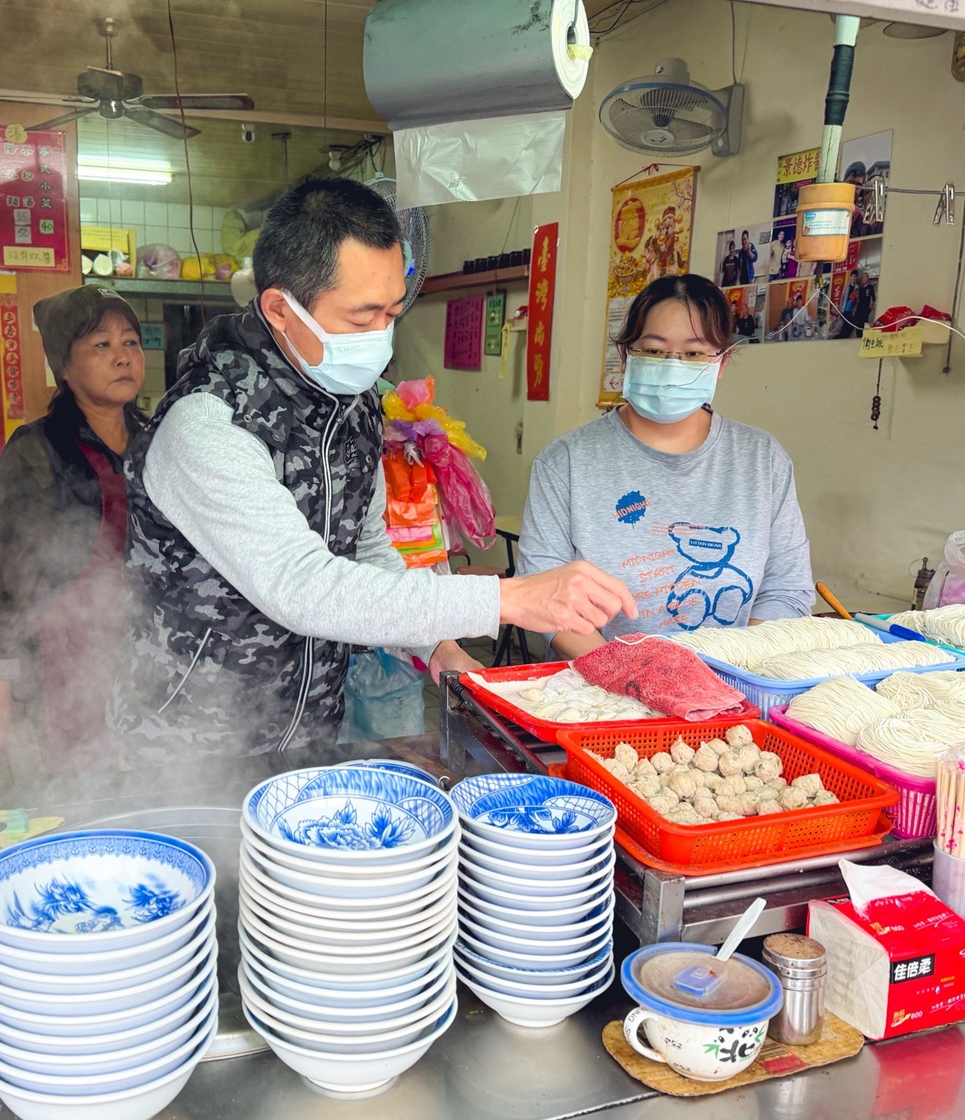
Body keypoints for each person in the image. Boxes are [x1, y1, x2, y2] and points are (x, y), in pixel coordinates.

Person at [115, 177, 636, 757]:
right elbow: (303, 586)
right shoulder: (209, 423)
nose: (381, 338)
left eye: (392, 313)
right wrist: (506, 599)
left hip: (308, 730)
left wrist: (436, 644)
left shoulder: (352, 403)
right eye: (362, 319)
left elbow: (368, 550)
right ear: (280, 309)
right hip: (186, 746)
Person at [518, 273, 813, 654]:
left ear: (721, 363)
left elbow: (787, 589)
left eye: (693, 354)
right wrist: (627, 676)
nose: (673, 366)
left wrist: (735, 669)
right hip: (602, 690)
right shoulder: (568, 462)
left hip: (732, 687)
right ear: (626, 356)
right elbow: (543, 589)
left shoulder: (762, 460)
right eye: (654, 351)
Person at [0, 285, 145, 768]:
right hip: (62, 662)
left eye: (131, 342)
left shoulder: (161, 441)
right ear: (64, 368)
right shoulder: (37, 451)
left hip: (153, 662)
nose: (122, 357)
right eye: (101, 346)